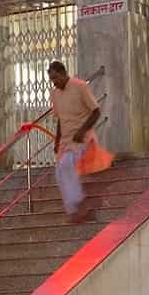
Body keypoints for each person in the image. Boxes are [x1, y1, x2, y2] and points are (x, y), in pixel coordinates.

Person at [46, 61, 101, 225]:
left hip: (83, 138)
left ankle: (80, 206)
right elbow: (60, 120)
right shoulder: (55, 94)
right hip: (66, 142)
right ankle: (76, 210)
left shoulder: (80, 86)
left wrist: (82, 130)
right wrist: (56, 141)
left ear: (64, 73)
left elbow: (96, 112)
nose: (54, 82)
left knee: (66, 165)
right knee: (59, 174)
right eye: (52, 80)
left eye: (56, 78)